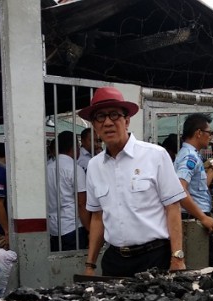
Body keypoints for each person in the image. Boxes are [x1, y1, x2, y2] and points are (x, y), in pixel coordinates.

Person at [78, 86, 187, 277]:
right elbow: (97, 217)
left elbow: (173, 207)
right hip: (114, 261)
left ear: (127, 120)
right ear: (94, 126)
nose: (108, 122)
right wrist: (90, 265)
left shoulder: (155, 155)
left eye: (114, 115)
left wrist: (177, 257)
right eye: (100, 117)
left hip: (154, 257)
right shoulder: (94, 166)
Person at [175, 113, 213, 235]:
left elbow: (199, 187)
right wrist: (203, 218)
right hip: (193, 217)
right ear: (198, 133)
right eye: (209, 133)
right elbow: (180, 189)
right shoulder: (190, 157)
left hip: (194, 215)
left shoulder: (189, 154)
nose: (210, 137)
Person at [47, 130, 89, 251]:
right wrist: (90, 229)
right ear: (74, 147)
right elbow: (81, 204)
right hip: (73, 227)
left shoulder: (48, 169)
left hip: (53, 229)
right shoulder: (76, 169)